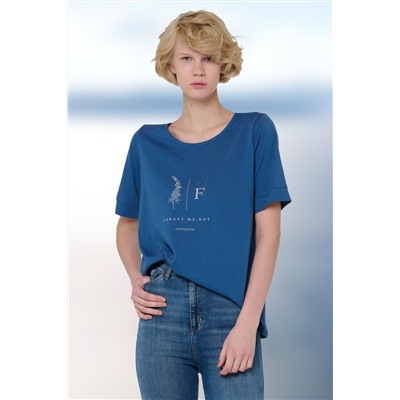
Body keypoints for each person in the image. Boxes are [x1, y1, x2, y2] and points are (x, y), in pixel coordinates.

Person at [115, 10, 291, 400]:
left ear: (223, 64)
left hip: (230, 310)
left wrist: (248, 323)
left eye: (208, 58)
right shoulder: (146, 143)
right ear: (171, 66)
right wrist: (135, 280)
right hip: (162, 311)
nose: (198, 69)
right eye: (187, 58)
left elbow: (269, 235)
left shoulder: (255, 132)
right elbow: (127, 224)